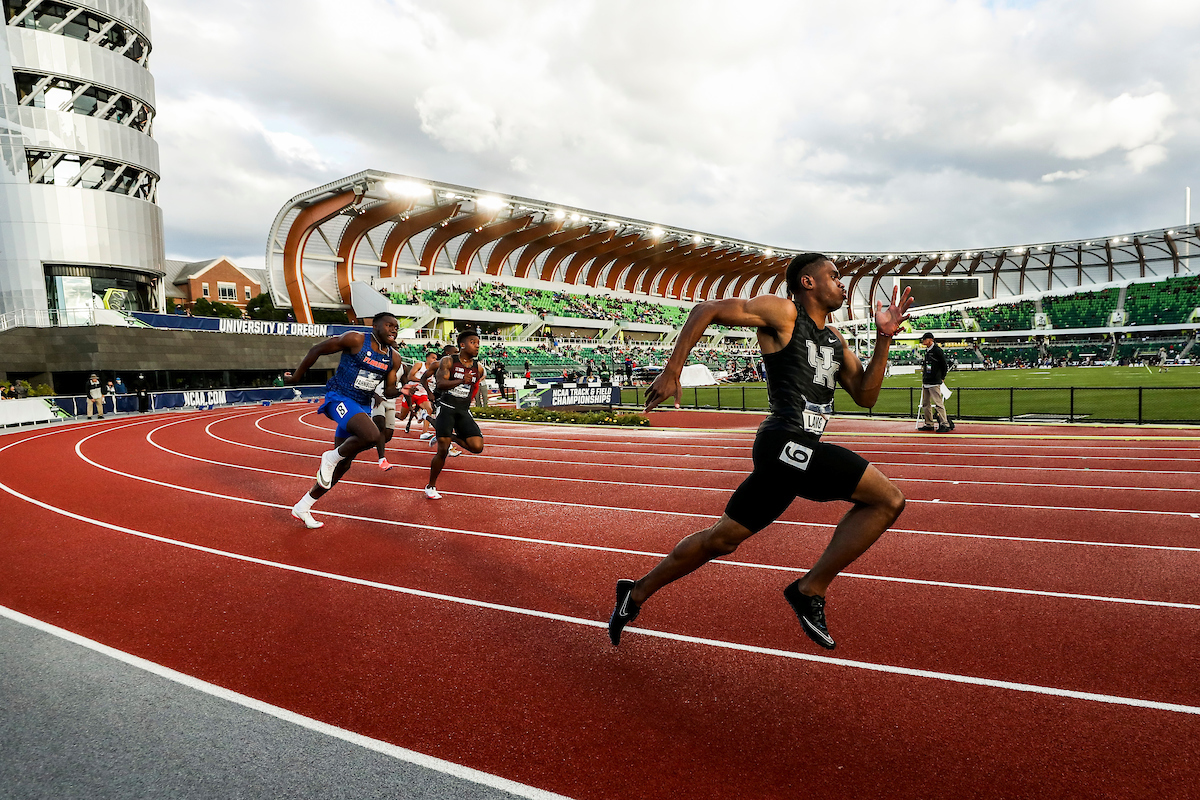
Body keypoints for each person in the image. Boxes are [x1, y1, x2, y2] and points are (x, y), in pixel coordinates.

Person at [608, 253, 912, 651]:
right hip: (783, 441)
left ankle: (635, 593)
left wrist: (884, 337)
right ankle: (808, 590)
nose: (841, 283)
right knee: (888, 499)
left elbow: (866, 396)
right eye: (834, 276)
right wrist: (673, 369)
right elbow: (706, 309)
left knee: (721, 539)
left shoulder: (834, 339)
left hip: (800, 450)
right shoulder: (784, 313)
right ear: (807, 282)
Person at [287, 313, 404, 528]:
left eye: (396, 327)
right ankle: (329, 457)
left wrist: (402, 390)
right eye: (389, 325)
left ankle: (303, 506)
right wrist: (296, 377)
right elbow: (317, 349)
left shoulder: (393, 358)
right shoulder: (357, 340)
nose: (393, 330)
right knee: (371, 436)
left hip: (360, 406)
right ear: (375, 326)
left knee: (343, 465)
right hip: (338, 398)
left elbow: (388, 389)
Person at [424, 330, 486, 500]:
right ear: (463, 345)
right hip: (446, 407)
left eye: (478, 343)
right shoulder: (448, 361)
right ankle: (431, 486)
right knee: (442, 451)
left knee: (477, 447)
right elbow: (441, 383)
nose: (477, 346)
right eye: (473, 342)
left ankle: (448, 435)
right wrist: (460, 380)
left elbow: (472, 388)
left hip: (463, 410)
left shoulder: (478, 368)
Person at [917, 332, 951, 433]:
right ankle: (929, 423)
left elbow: (944, 365)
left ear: (930, 340)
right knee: (925, 403)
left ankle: (944, 423)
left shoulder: (937, 351)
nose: (923, 341)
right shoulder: (927, 351)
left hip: (934, 381)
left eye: (924, 339)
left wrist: (942, 377)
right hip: (926, 381)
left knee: (938, 403)